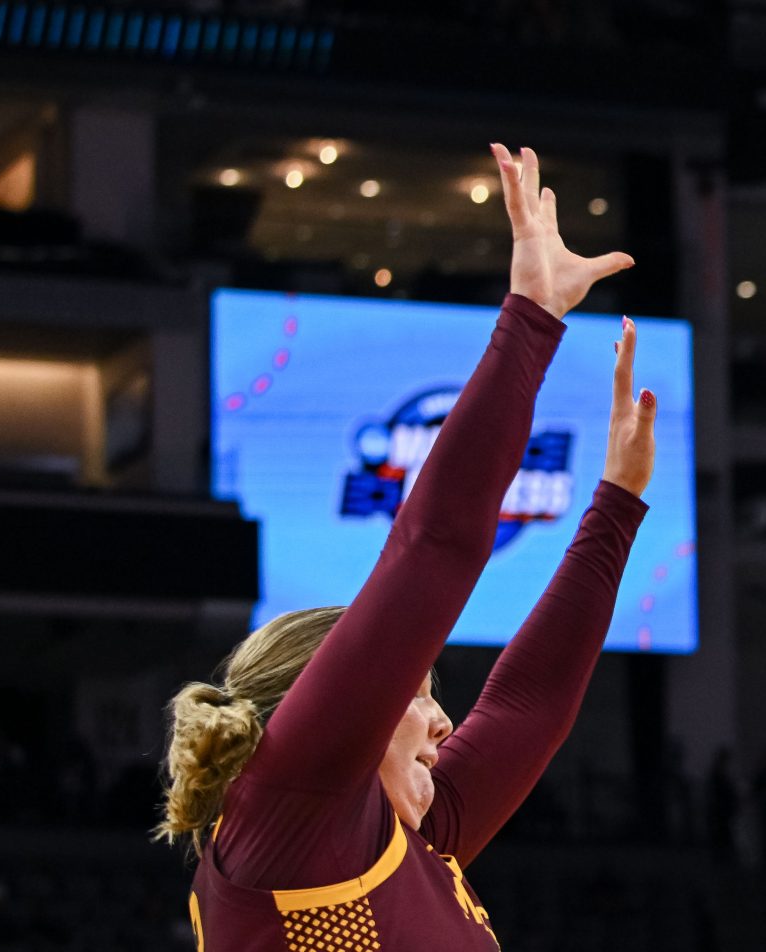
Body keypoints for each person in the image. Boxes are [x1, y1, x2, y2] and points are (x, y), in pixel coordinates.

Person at [155, 143, 656, 949]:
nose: (442, 723)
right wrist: (529, 317)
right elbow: (432, 550)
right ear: (324, 712)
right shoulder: (290, 811)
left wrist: (617, 507)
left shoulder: (405, 846)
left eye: (419, 693)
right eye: (419, 693)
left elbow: (526, 708)